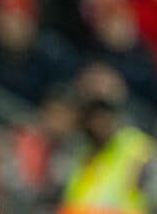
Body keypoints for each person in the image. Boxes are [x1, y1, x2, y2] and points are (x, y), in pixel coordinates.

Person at [57, 62, 157, 214]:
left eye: (104, 113)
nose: (99, 121)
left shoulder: (139, 148)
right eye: (92, 114)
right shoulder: (77, 151)